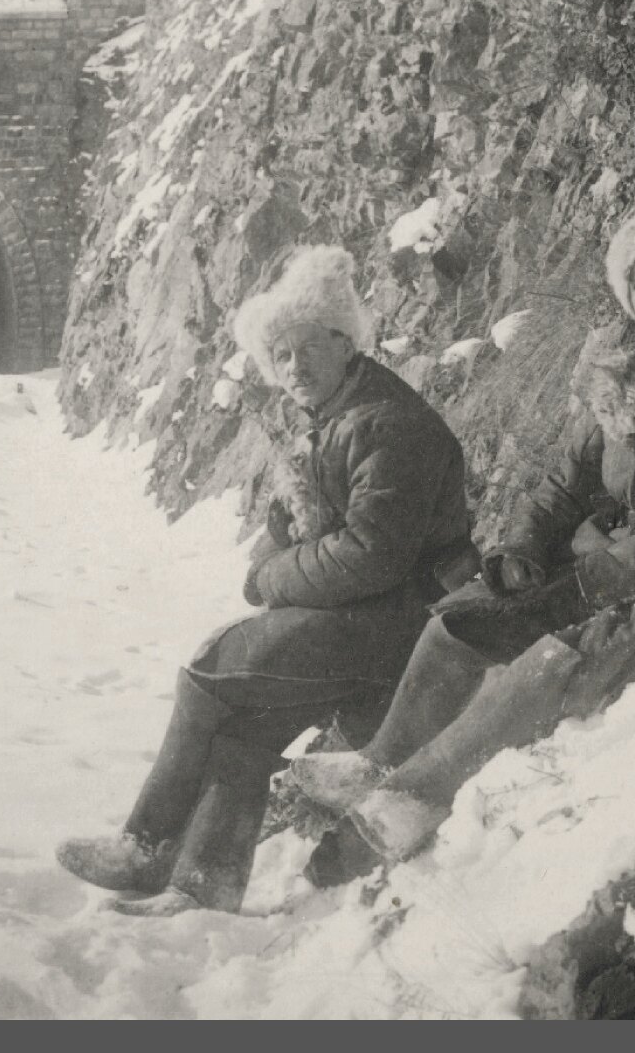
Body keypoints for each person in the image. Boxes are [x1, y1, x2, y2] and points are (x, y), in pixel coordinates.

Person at [289, 197, 635, 860]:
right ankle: (380, 760)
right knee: (462, 618)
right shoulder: (629, 382)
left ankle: (408, 801)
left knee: (553, 660)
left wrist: (599, 578)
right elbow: (566, 484)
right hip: (622, 564)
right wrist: (520, 547)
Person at [57, 246, 479, 915]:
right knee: (243, 726)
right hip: (373, 611)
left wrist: (271, 576)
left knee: (211, 672)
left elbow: (373, 553)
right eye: (279, 355)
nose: (293, 368)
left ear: (346, 343)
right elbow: (313, 525)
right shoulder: (340, 413)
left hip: (406, 619)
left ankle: (145, 847)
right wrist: (280, 540)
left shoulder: (386, 424)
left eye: (308, 348)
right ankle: (203, 885)